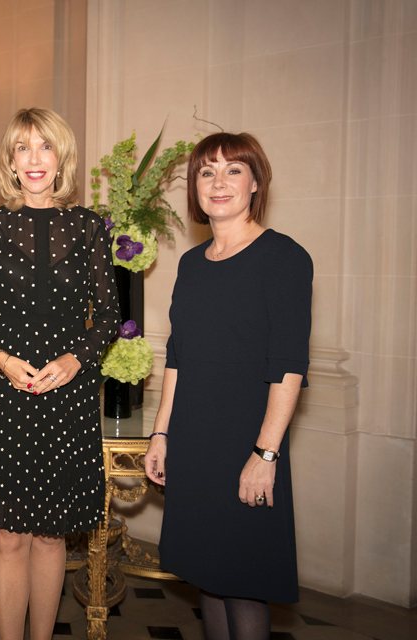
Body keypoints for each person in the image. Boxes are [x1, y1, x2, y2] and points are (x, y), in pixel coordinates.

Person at [0, 108, 120, 640]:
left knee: (51, 537)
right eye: (23, 148)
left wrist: (75, 361)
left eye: (44, 147)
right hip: (2, 397)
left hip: (66, 396)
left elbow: (110, 316)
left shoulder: (91, 227)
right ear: (11, 161)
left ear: (61, 156)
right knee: (6, 538)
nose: (35, 159)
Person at [143, 132, 313, 640]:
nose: (218, 183)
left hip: (247, 443)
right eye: (206, 172)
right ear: (194, 188)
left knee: (243, 585)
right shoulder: (191, 264)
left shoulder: (283, 257)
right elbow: (178, 356)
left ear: (256, 182)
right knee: (208, 580)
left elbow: (289, 366)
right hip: (194, 444)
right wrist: (161, 433)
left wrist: (265, 455)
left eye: (233, 170)